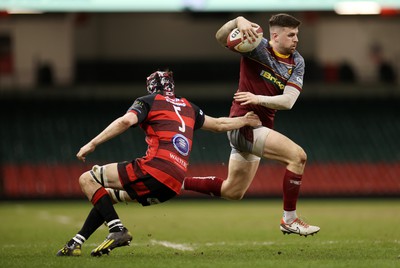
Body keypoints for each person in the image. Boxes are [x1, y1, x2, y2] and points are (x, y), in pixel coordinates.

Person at [56, 70, 261, 257]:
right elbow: (218, 125)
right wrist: (245, 120)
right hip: (172, 184)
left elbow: (125, 121)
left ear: (151, 88)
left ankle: (117, 230)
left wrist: (92, 144)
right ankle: (76, 242)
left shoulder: (148, 101)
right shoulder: (189, 106)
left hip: (154, 169)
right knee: (108, 197)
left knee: (87, 179)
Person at [182, 14, 320, 236]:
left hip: (259, 127)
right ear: (275, 35)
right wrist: (238, 21)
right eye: (291, 34)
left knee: (233, 191)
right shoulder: (255, 45)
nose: (296, 40)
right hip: (243, 124)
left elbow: (288, 101)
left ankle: (176, 181)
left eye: (297, 35)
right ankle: (290, 219)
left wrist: (257, 99)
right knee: (298, 156)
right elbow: (220, 37)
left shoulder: (297, 62)